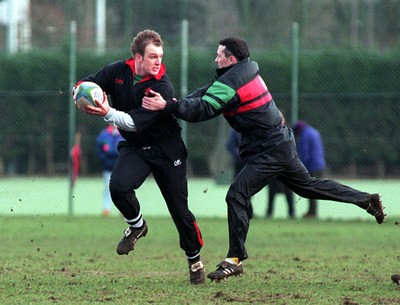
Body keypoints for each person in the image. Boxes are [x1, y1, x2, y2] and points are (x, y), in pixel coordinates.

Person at [142, 36, 385, 282]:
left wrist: (168, 107)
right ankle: (366, 200)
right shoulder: (243, 72)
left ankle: (233, 260)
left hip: (269, 149)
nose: (215, 58)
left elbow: (203, 109)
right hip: (278, 143)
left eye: (219, 54)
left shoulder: (233, 81)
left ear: (231, 59)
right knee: (309, 186)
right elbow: (205, 94)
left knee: (237, 194)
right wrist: (172, 104)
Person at [72, 29, 205, 285]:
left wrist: (107, 111)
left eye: (160, 56)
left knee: (179, 212)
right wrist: (79, 91)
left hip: (167, 151)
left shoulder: (162, 85)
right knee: (119, 187)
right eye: (153, 56)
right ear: (137, 58)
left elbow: (132, 123)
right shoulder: (117, 71)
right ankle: (137, 225)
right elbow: (87, 83)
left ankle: (194, 260)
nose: (158, 62)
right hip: (136, 148)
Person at [293, 120, 326, 219]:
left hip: (312, 166)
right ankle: (312, 212)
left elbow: (305, 154)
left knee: (311, 189)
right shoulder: (314, 131)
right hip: (320, 164)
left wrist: (299, 167)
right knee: (314, 189)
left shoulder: (305, 135)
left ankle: (312, 213)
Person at [96, 125, 123, 216]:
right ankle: (106, 209)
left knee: (123, 188)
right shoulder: (104, 135)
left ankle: (124, 210)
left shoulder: (124, 134)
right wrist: (106, 162)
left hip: (121, 167)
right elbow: (99, 151)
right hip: (108, 167)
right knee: (107, 188)